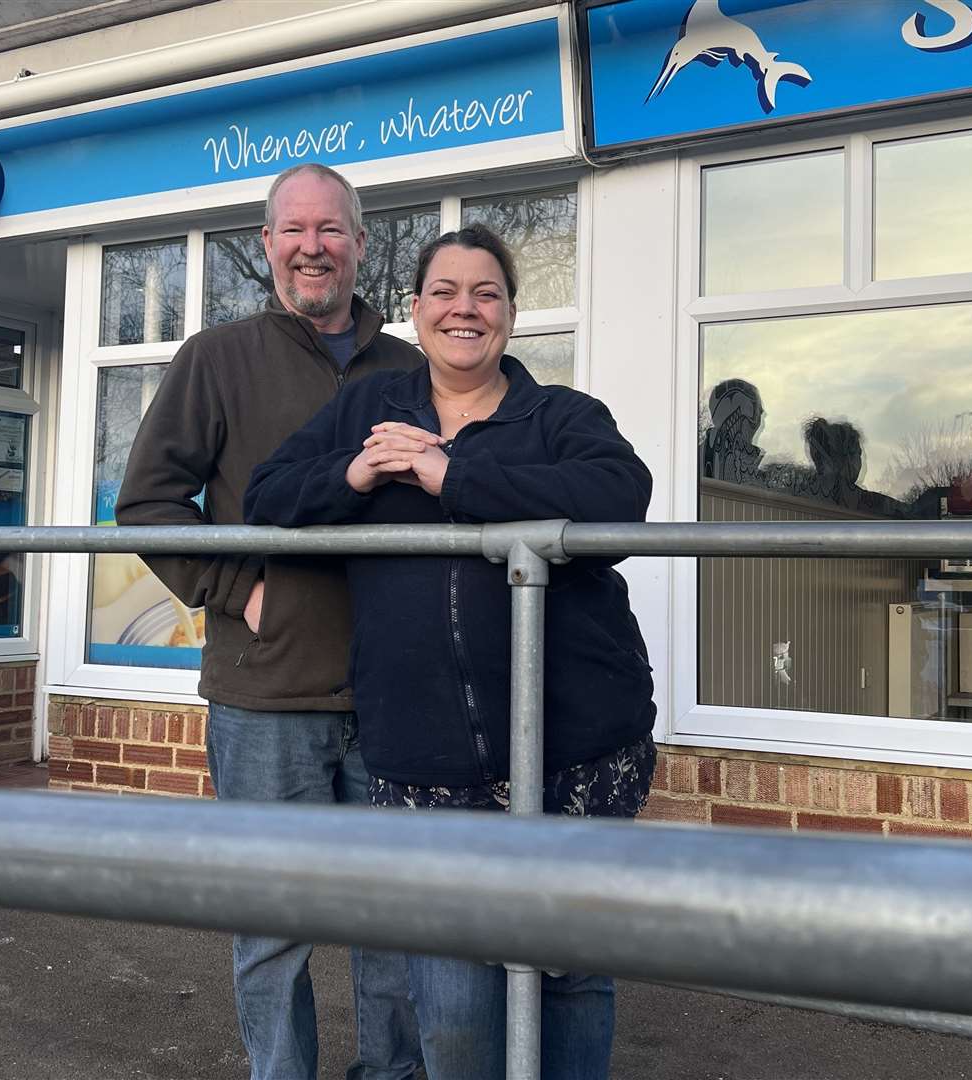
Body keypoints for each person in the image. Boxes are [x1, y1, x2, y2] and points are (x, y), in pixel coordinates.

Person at [244, 224, 656, 1080]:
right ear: (416, 308)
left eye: (486, 294)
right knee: (454, 998)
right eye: (444, 291)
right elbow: (267, 495)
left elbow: (621, 496)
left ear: (509, 314)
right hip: (423, 758)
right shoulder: (367, 411)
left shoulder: (561, 415)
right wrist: (354, 476)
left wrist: (449, 475)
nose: (464, 309)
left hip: (573, 752)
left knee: (569, 969)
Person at [114, 163, 423, 1080]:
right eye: (293, 231)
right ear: (267, 247)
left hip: (395, 691)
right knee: (273, 929)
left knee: (395, 923)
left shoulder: (410, 368)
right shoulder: (215, 359)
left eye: (331, 230)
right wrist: (245, 588)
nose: (312, 247)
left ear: (362, 245)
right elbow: (150, 504)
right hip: (265, 693)